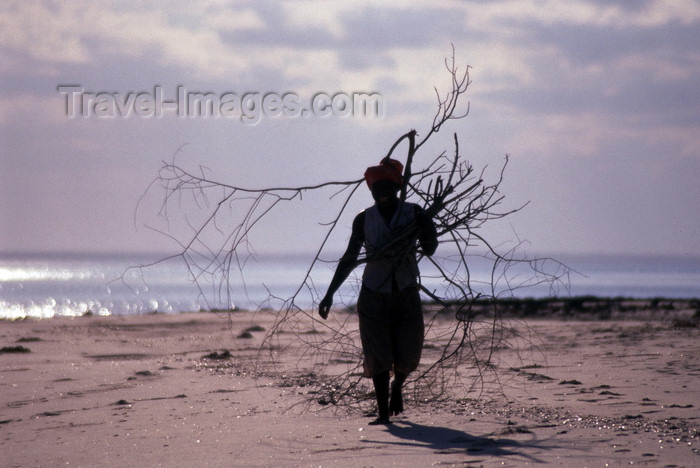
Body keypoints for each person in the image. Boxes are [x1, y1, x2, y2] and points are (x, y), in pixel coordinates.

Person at [318, 158, 438, 425]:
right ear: (370, 190)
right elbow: (350, 257)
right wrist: (329, 293)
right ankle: (383, 413)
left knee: (408, 353)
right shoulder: (363, 219)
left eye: (387, 186)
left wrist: (427, 229)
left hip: (406, 292)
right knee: (378, 354)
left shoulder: (414, 213)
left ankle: (399, 385)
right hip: (373, 293)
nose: (381, 191)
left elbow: (429, 249)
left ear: (397, 188)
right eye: (376, 187)